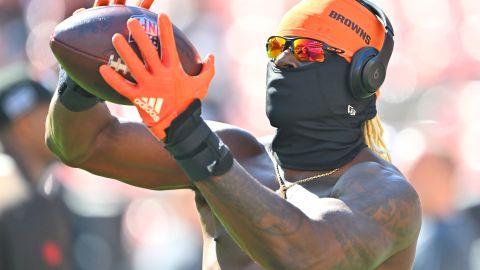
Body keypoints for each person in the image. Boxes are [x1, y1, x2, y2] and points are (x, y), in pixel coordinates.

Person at [46, 0, 422, 269]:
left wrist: (186, 132)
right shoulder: (240, 153)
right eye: (278, 47)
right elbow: (85, 144)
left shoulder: (387, 194)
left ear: (363, 78)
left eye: (308, 50)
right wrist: (87, 76)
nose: (285, 60)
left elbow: (304, 256)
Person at [0, 74, 74, 270]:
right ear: (23, 125)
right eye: (52, 114)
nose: (66, 124)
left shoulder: (36, 194)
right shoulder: (15, 200)